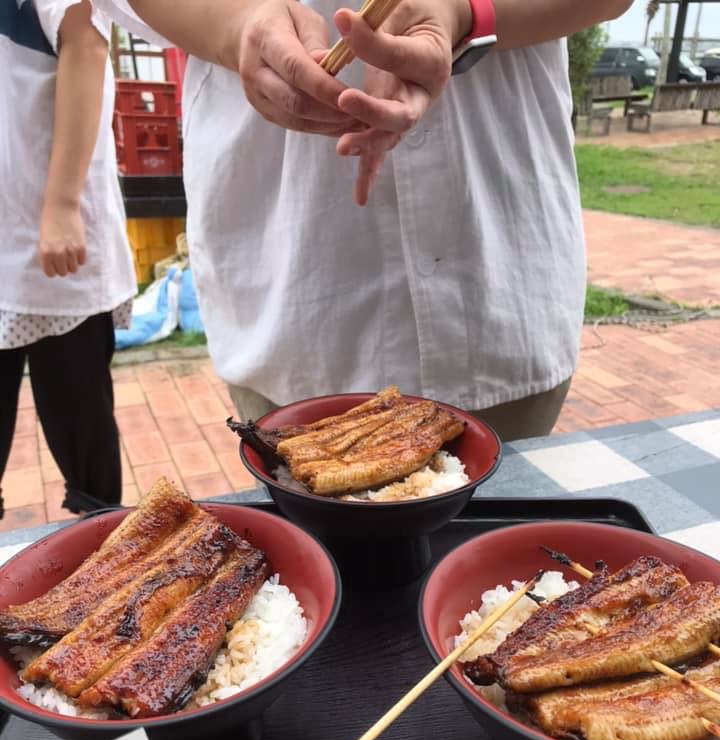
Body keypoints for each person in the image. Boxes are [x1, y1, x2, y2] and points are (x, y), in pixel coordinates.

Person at [93, 0, 630, 440]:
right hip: (289, 284)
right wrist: (236, 25)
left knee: (509, 557)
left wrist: (469, 12)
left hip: (500, 270)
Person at [0, 0, 136, 518]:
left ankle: (108, 561)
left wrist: (60, 205)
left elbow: (85, 41)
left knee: (83, 435)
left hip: (55, 242)